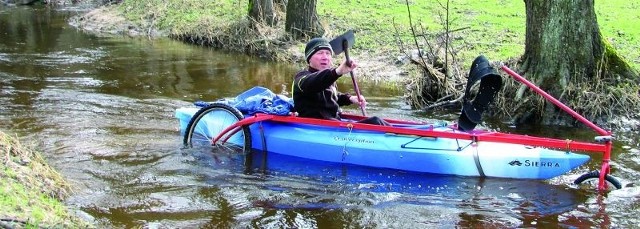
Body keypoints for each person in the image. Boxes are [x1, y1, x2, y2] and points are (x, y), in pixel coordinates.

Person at [291, 37, 389, 126]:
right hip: (318, 127)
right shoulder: (301, 78)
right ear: (309, 59)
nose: (325, 57)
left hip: (334, 123)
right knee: (375, 121)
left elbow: (332, 97)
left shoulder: (329, 78)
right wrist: (338, 71)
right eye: (320, 53)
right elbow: (314, 83)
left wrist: (350, 98)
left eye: (328, 53)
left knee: (377, 121)